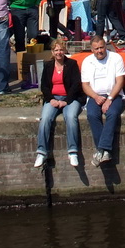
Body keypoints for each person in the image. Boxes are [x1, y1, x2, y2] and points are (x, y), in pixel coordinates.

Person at [35, 38, 84, 168]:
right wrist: (51, 99)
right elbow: (44, 86)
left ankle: (72, 151)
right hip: (53, 98)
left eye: (61, 50)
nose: (59, 52)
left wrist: (66, 101)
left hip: (70, 98)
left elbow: (75, 85)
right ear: (52, 52)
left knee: (71, 117)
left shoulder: (72, 64)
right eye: (56, 50)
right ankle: (41, 152)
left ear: (64, 50)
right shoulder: (48, 66)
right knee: (45, 118)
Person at [81, 35, 125, 166]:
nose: (99, 51)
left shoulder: (116, 58)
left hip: (114, 95)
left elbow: (120, 82)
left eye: (102, 47)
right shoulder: (87, 62)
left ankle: (101, 149)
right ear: (92, 49)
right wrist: (95, 97)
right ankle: (105, 151)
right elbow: (85, 85)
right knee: (92, 115)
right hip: (95, 95)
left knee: (112, 114)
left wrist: (109, 99)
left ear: (105, 46)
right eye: (96, 49)